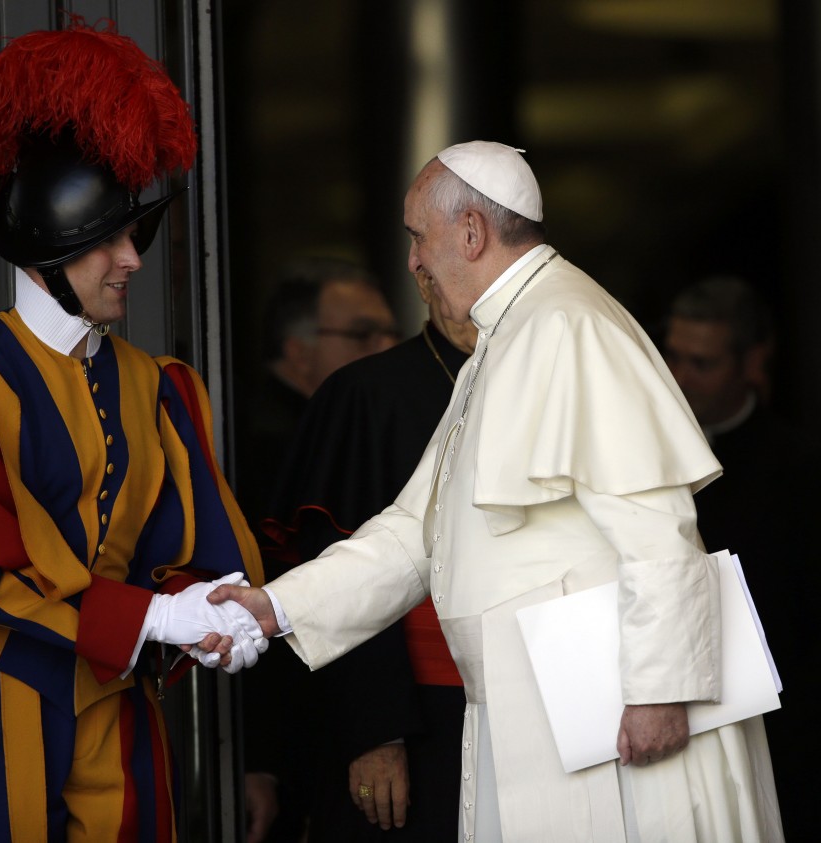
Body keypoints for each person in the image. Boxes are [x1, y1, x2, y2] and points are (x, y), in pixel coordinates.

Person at [211, 141, 784, 842]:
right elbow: (411, 532)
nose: (414, 261)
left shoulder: (570, 323)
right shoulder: (505, 336)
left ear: (472, 232)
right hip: (537, 714)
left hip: (618, 718)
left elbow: (657, 522)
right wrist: (274, 607)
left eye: (419, 237)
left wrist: (662, 690)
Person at [0, 21, 266, 842]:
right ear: (47, 240)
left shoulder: (155, 384)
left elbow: (184, 551)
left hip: (115, 716)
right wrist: (148, 620)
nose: (132, 258)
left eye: (133, 235)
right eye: (108, 239)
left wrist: (206, 612)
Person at [252, 267, 475, 841]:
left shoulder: (545, 375)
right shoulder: (367, 392)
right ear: (426, 278)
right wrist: (376, 731)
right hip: (419, 710)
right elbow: (346, 567)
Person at [662, 276, 819, 838]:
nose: (679, 378)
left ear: (753, 360)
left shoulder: (799, 471)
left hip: (783, 732)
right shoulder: (646, 454)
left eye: (701, 363)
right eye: (673, 356)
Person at [235, 257, 400, 537]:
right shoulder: (259, 441)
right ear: (300, 353)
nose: (390, 348)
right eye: (363, 334)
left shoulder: (348, 420)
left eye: (391, 334)